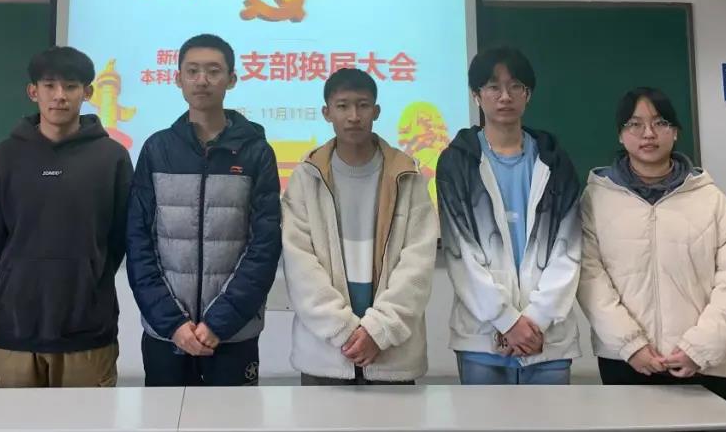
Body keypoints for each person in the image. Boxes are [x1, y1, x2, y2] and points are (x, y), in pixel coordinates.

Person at [578, 87, 726, 401]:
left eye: (660, 123)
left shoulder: (710, 199)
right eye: (635, 124)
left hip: (702, 363)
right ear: (621, 135)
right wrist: (630, 345)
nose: (648, 133)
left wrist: (698, 348)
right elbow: (589, 277)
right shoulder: (597, 199)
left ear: (675, 132)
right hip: (625, 361)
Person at [126, 33, 281, 386]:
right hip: (167, 335)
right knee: (163, 416)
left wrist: (219, 323)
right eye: (192, 71)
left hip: (233, 334)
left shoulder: (256, 152)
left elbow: (264, 246)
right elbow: (138, 242)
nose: (202, 80)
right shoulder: (157, 150)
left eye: (213, 71)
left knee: (232, 416)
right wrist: (173, 323)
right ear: (178, 78)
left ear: (232, 79)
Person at [0, 46, 132, 388]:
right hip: (15, 327)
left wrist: (87, 273)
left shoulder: (112, 157)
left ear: (88, 93)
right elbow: (4, 235)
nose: (60, 96)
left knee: (87, 416)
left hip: (87, 328)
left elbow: (118, 238)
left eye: (71, 86)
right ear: (33, 91)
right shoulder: (4, 157)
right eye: (49, 85)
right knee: (7, 416)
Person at [436, 46, 581, 385]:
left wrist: (535, 320)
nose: (505, 96)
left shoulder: (555, 162)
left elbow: (569, 249)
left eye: (515, 86)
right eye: (493, 87)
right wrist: (507, 321)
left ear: (528, 94)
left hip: (546, 337)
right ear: (476, 95)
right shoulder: (458, 163)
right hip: (482, 337)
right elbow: (460, 254)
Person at [282, 68, 438, 385]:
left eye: (363, 105)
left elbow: (418, 263)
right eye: (342, 106)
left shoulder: (407, 175)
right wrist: (344, 330)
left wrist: (378, 331)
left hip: (391, 353)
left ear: (376, 111)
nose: (353, 116)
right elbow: (300, 265)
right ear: (327, 112)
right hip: (325, 353)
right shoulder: (306, 176)